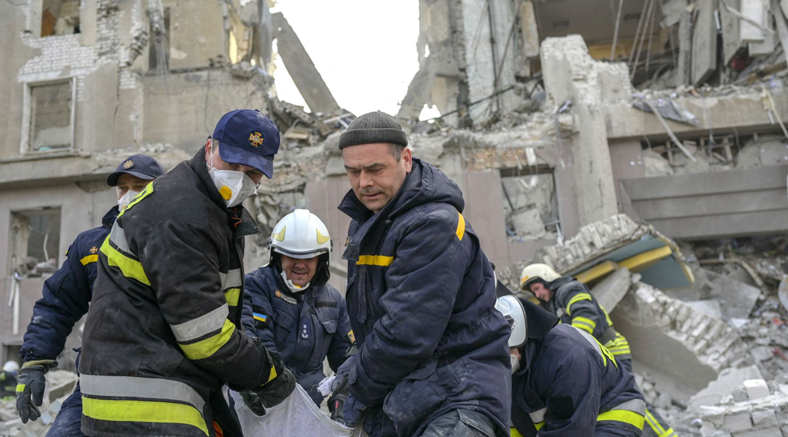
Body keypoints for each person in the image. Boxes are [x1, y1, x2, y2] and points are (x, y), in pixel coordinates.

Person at [77, 109, 295, 437]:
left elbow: (219, 311)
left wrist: (242, 371)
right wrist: (266, 373)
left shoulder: (210, 209)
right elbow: (204, 338)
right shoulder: (184, 215)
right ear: (210, 148)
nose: (239, 177)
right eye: (232, 163)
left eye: (251, 171)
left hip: (147, 385)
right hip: (144, 399)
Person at [330, 111, 511, 437]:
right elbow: (374, 319)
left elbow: (406, 333)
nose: (363, 183)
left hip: (455, 397)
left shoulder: (433, 223)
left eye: (375, 169)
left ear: (407, 160)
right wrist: (355, 362)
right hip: (405, 394)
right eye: (353, 172)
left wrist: (357, 387)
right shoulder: (368, 220)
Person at [15, 154, 165, 432]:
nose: (128, 194)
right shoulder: (91, 244)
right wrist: (34, 363)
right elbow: (57, 305)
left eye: (139, 185)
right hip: (96, 383)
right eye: (122, 188)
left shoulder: (178, 241)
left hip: (163, 384)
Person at [521, 263, 676, 437]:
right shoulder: (553, 304)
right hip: (592, 356)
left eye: (537, 288)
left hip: (610, 351)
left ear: (547, 279)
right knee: (605, 403)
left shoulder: (569, 289)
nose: (537, 294)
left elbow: (586, 314)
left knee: (626, 401)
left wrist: (570, 347)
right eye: (533, 292)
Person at [242, 209, 353, 417]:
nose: (301, 265)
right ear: (277, 255)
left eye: (310, 257)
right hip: (260, 411)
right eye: (292, 256)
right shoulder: (253, 287)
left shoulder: (334, 301)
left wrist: (341, 404)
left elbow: (347, 363)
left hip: (311, 414)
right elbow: (258, 348)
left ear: (322, 259)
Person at [495, 293, 646, 437]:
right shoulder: (512, 371)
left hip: (612, 412)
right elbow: (512, 427)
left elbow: (572, 429)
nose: (497, 361)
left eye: (503, 351)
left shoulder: (566, 356)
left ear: (520, 341)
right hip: (569, 422)